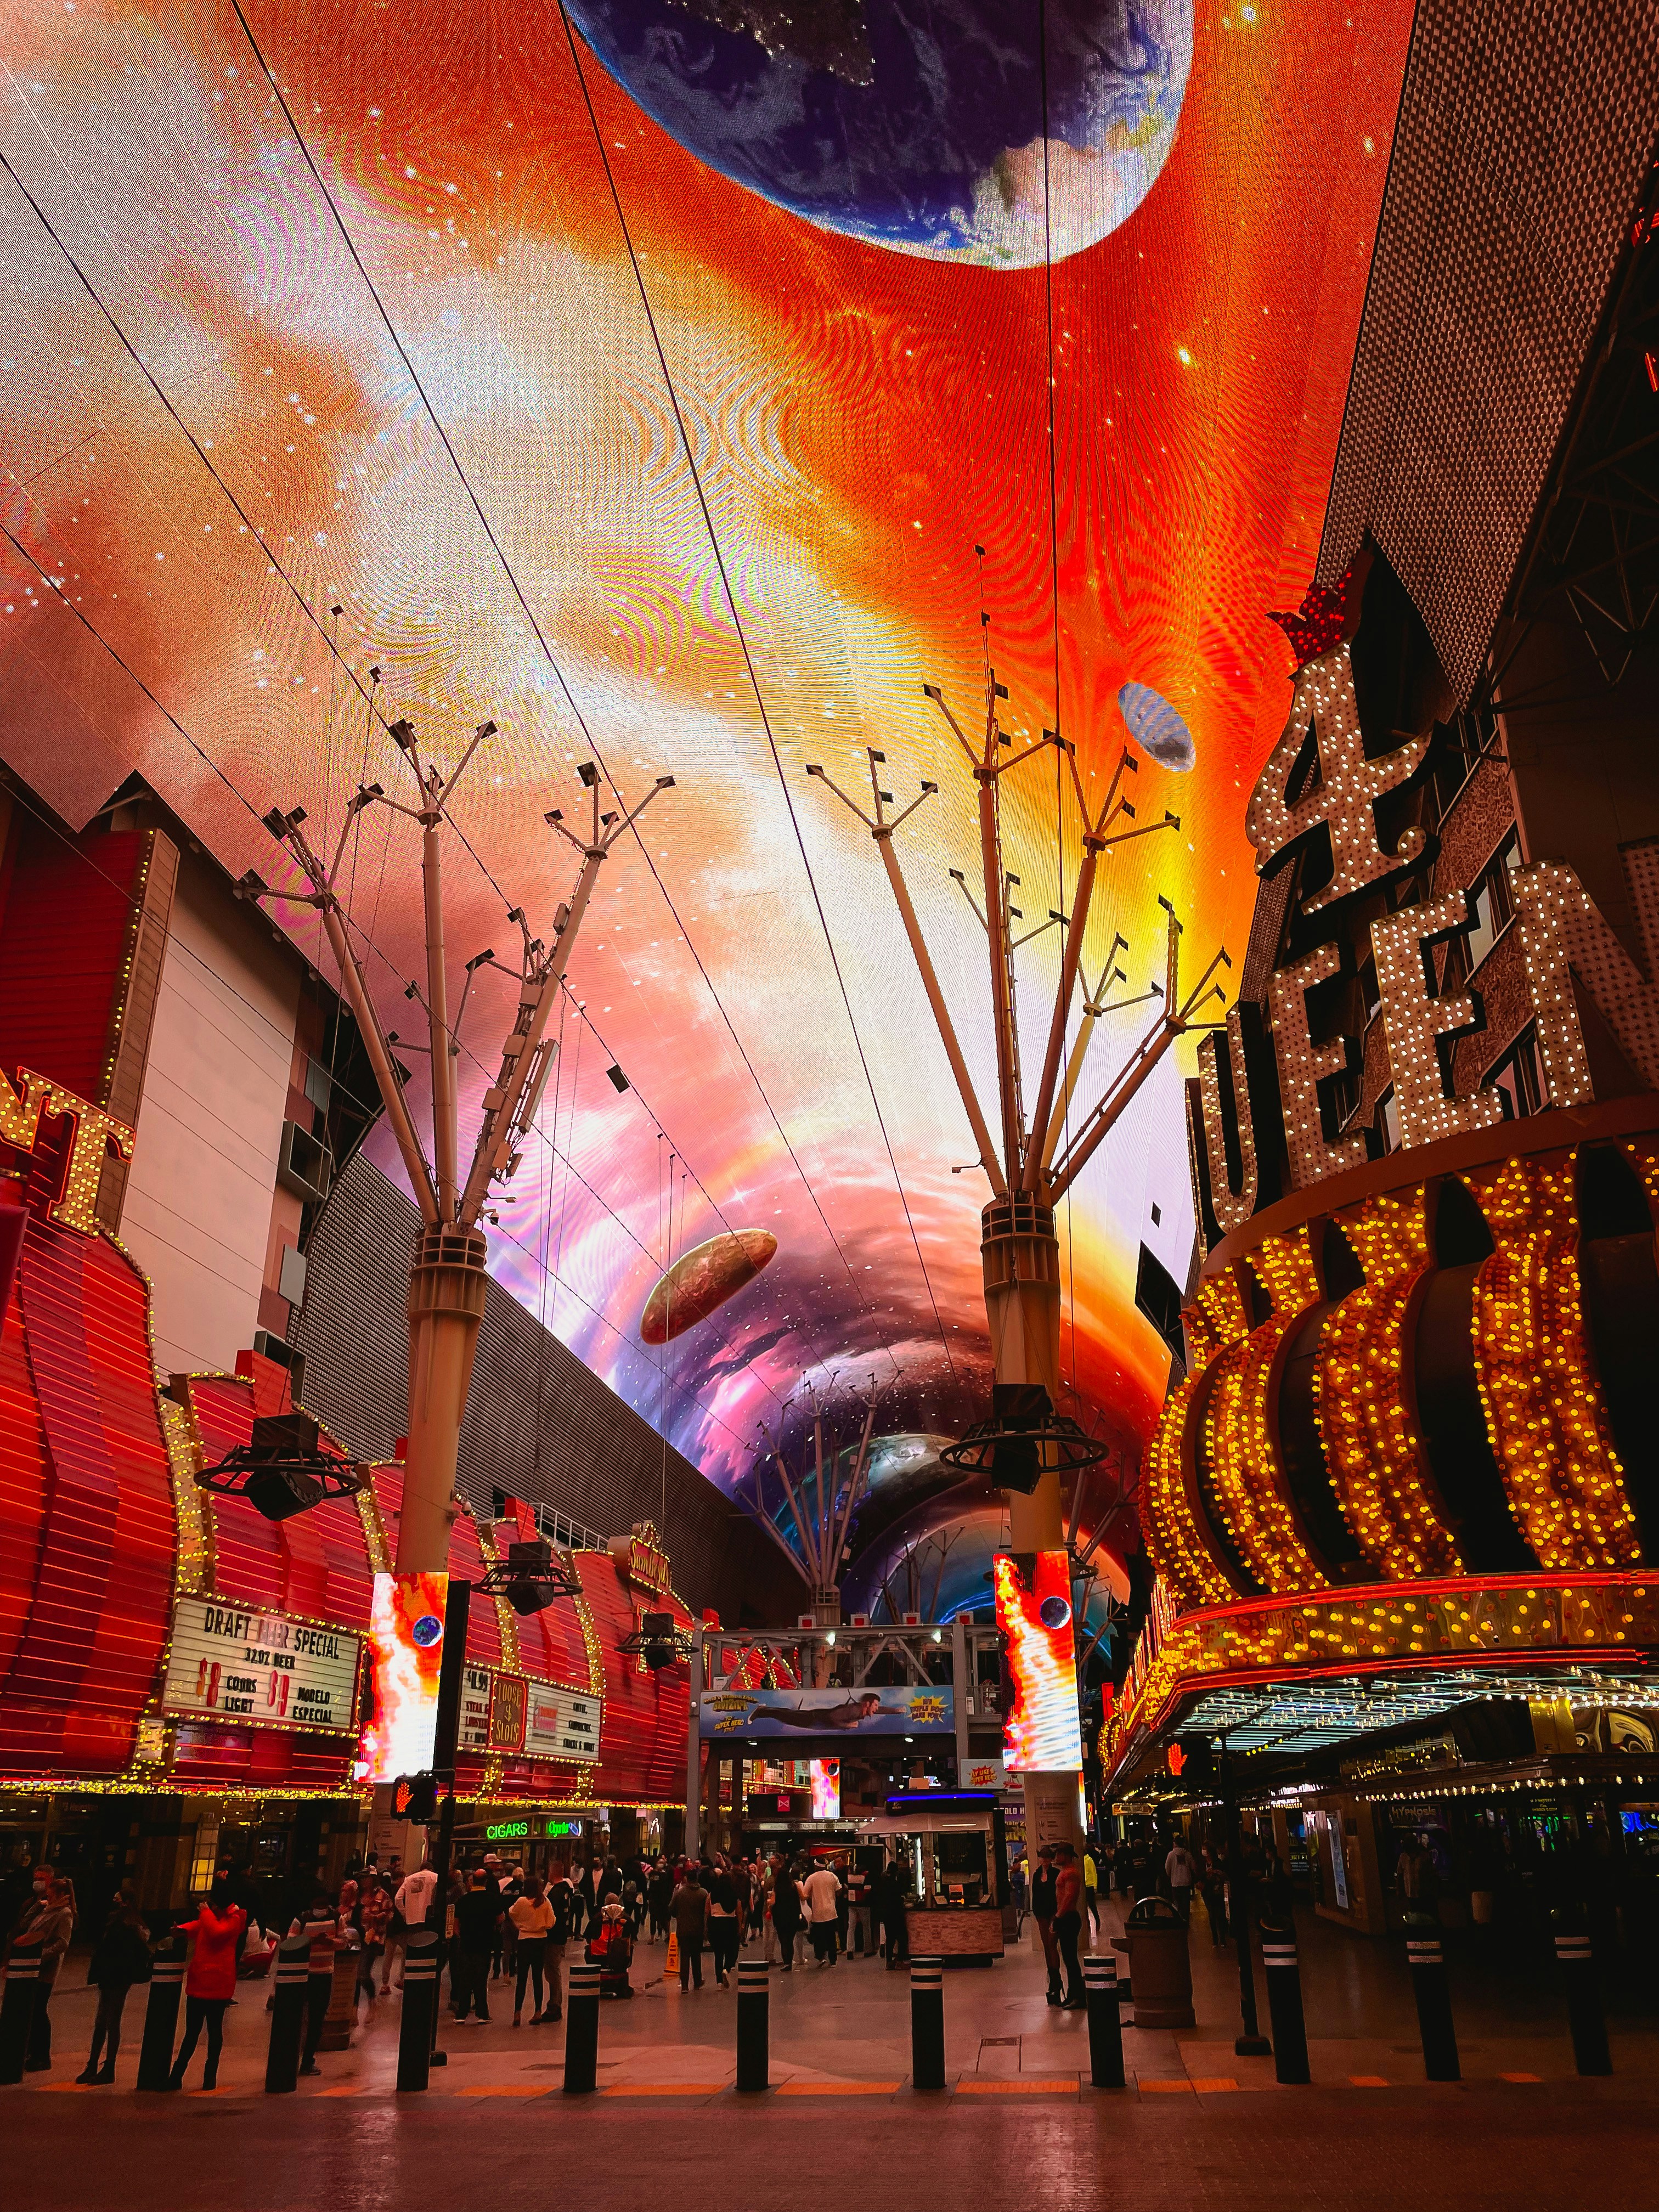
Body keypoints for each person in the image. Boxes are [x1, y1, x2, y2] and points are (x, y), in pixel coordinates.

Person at [170, 1879, 246, 2090]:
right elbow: (204, 1926)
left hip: (215, 1984)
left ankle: (207, 2076)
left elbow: (215, 1932)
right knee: (195, 2033)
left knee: (211, 2032)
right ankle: (179, 2075)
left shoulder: (235, 1919)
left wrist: (204, 1912)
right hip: (202, 1982)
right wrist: (184, 1930)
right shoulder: (220, 1916)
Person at [79, 1892, 153, 2084]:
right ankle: (98, 2065)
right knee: (106, 2020)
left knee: (107, 2020)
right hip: (116, 1975)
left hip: (115, 1975)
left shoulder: (125, 1923)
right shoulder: (133, 1923)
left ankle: (102, 2066)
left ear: (126, 1903)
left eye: (118, 1898)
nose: (114, 1900)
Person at [7, 1873, 75, 2072]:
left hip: (45, 1971)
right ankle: (30, 2051)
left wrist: (40, 1956)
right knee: (31, 2010)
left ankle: (42, 2055)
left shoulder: (64, 1914)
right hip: (31, 1968)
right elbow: (25, 1924)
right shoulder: (47, 1910)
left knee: (38, 2011)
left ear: (62, 1895)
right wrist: (39, 1905)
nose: (49, 1898)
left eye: (52, 1895)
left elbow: (62, 1943)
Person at [287, 1886, 342, 2076]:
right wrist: (311, 1942)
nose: (321, 1906)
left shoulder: (337, 1918)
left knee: (317, 2021)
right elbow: (291, 1943)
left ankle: (308, 2060)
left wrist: (331, 1943)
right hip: (304, 1974)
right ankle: (295, 2060)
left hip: (324, 1973)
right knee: (300, 2019)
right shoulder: (301, 1919)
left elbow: (343, 1941)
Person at [453, 1869, 501, 2023]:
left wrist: (462, 1936)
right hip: (484, 1944)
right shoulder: (492, 1899)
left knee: (465, 1978)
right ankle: (482, 2014)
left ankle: (461, 2014)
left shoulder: (463, 1900)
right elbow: (501, 1918)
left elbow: (456, 1924)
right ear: (486, 1882)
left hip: (467, 1944)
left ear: (472, 1881)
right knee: (481, 1979)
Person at [1052, 1844, 1085, 2011]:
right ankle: (1073, 1995)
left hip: (1069, 1917)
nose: (1056, 1857)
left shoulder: (1071, 1873)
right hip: (1066, 1917)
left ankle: (1078, 1996)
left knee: (1071, 1960)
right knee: (1068, 1959)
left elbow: (1070, 1897)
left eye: (1058, 1853)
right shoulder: (1065, 1872)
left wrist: (1059, 1916)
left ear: (1066, 1855)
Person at [1030, 1846, 1062, 2004]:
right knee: (1046, 1947)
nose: (1045, 1860)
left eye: (1047, 1857)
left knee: (1051, 1945)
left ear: (1052, 1858)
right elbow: (1034, 1895)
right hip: (1041, 1913)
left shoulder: (1056, 1874)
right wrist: (1035, 1912)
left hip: (1053, 1913)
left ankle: (1056, 1979)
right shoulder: (1036, 1874)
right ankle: (1053, 1979)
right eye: (1043, 1857)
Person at [670, 1865, 708, 1990]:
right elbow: (707, 1912)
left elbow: (672, 1909)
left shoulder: (680, 1893)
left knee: (685, 1956)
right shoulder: (703, 1893)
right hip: (698, 1929)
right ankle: (697, 1981)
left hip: (683, 1929)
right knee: (696, 1956)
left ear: (687, 1879)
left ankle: (685, 1985)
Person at [706, 1855, 740, 1987]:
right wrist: (740, 1925)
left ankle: (719, 1982)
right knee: (731, 1950)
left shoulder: (712, 1893)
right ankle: (727, 1969)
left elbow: (707, 1910)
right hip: (730, 1923)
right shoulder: (734, 1893)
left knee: (718, 1954)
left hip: (715, 1924)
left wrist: (707, 1925)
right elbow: (740, 1911)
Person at [801, 1857, 842, 1966]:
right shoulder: (832, 1876)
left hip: (818, 1913)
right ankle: (833, 1961)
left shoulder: (811, 1878)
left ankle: (821, 1957)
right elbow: (839, 1891)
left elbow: (804, 1895)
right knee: (831, 1937)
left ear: (816, 1866)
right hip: (831, 1912)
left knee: (819, 1937)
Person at [878, 1853, 909, 1970]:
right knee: (902, 1938)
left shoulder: (883, 1877)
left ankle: (889, 1962)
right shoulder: (898, 1877)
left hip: (886, 1913)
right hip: (896, 1912)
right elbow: (902, 1890)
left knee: (890, 1938)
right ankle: (900, 1961)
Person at [1165, 1837, 1200, 1923]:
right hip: (1186, 1881)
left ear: (1175, 1844)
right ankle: (1186, 1919)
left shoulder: (1171, 1854)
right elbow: (1193, 1867)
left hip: (1176, 1882)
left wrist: (1171, 1876)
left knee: (1178, 1902)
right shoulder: (1188, 1854)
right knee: (1186, 1902)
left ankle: (1180, 1919)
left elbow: (1167, 1867)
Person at [1200, 1845, 1229, 1948]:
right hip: (1207, 1892)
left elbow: (1225, 1875)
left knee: (1220, 1915)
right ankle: (1215, 1940)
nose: (1204, 1851)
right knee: (1212, 1915)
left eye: (1205, 1849)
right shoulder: (1201, 1863)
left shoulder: (1218, 1863)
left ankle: (1222, 1939)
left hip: (1217, 1891)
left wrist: (1216, 1873)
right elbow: (1199, 1876)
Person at [1083, 1848, 1101, 1939]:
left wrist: (1095, 1886)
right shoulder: (1081, 1861)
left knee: (1092, 1905)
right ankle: (1088, 1925)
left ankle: (1097, 1922)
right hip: (1084, 1886)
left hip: (1089, 1885)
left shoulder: (1089, 1860)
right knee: (1084, 1906)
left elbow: (1094, 1873)